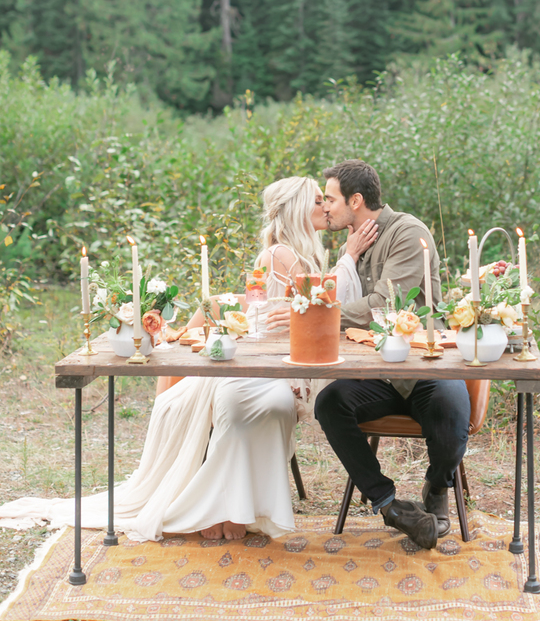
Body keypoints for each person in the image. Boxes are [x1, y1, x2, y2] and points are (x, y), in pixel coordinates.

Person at [0, 176, 376, 543]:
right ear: (296, 208)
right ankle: (218, 509)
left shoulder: (302, 252)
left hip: (283, 361)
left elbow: (303, 307)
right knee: (240, 404)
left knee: (261, 406)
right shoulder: (280, 253)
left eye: (325, 200)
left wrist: (344, 258)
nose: (324, 206)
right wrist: (348, 257)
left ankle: (235, 509)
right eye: (316, 200)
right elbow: (313, 301)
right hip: (266, 359)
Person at [314, 159, 471, 551]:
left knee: (451, 406)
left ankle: (437, 485)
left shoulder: (407, 232)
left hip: (422, 369)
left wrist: (318, 313)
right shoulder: (358, 239)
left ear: (356, 199)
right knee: (330, 403)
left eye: (330, 199)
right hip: (378, 373)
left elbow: (383, 306)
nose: (325, 207)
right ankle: (390, 505)